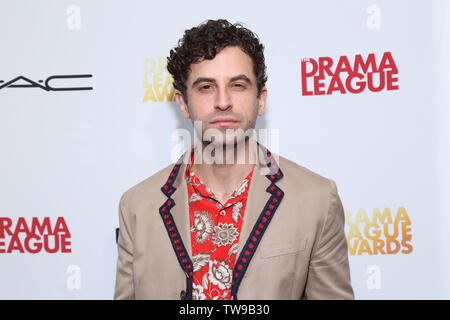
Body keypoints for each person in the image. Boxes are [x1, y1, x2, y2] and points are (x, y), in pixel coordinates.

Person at [114, 19, 354, 300]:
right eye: (206, 87)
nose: (223, 101)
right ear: (182, 103)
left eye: (238, 85)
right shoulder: (138, 206)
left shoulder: (316, 199)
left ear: (260, 99)